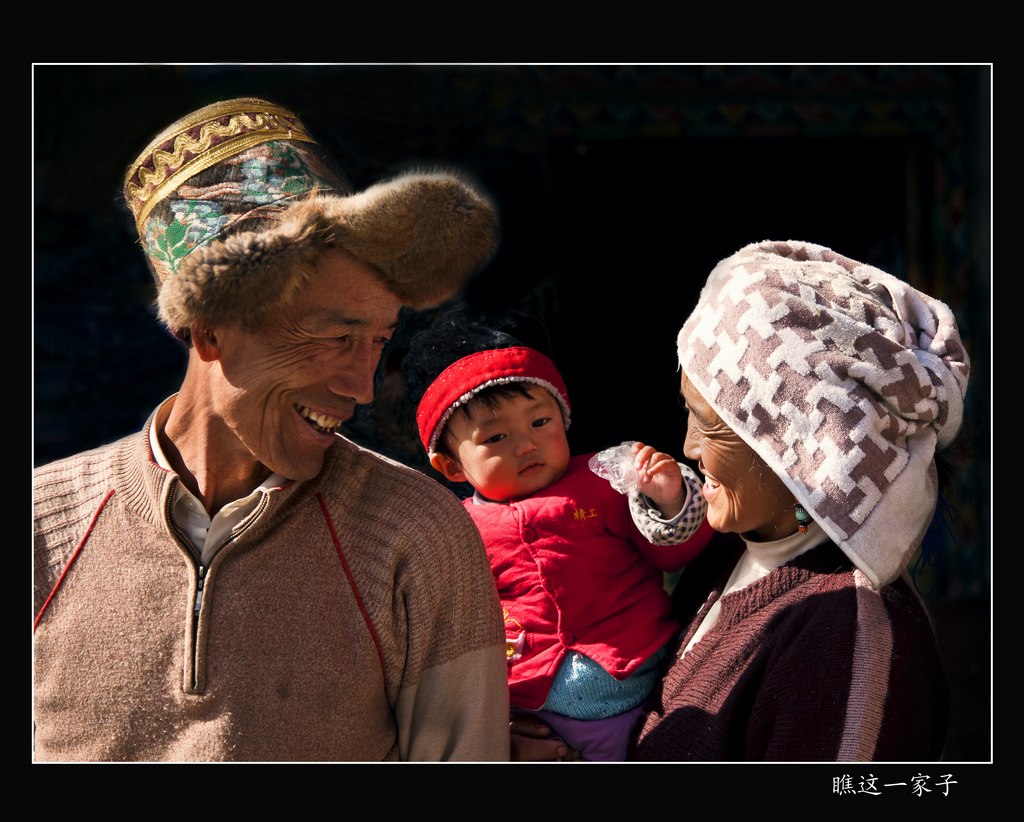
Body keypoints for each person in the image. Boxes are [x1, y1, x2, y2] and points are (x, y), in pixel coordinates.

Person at [32, 97, 512, 762]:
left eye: (378, 340)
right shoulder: (42, 527)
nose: (363, 387)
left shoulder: (417, 535)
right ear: (209, 330)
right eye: (336, 337)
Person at [513, 239, 969, 762]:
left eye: (711, 427)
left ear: (802, 448)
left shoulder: (847, 637)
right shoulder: (736, 546)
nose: (687, 447)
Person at [402, 311, 715, 760]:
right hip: (536, 718)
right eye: (495, 437)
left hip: (647, 682)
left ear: (563, 418)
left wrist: (668, 499)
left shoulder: (603, 479)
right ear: (452, 466)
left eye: (539, 422)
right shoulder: (455, 530)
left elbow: (673, 553)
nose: (526, 444)